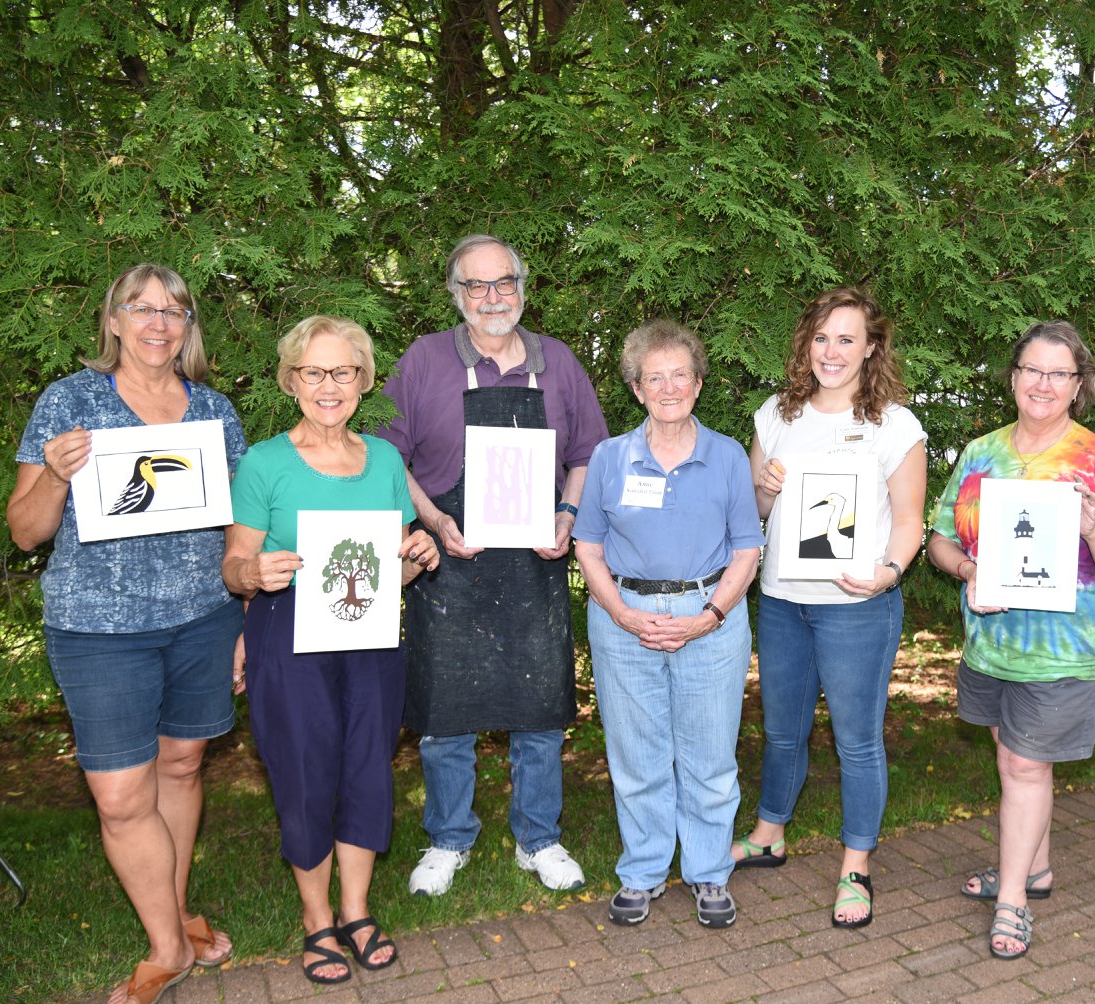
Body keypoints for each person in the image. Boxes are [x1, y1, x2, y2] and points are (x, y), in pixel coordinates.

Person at [7, 264, 244, 1004]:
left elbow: (240, 527)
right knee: (118, 798)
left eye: (174, 310)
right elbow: (24, 532)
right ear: (113, 321)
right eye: (140, 308)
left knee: (180, 770)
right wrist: (51, 473)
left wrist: (244, 627)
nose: (158, 323)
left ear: (187, 327)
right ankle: (169, 947)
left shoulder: (214, 412)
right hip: (99, 629)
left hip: (204, 619)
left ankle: (171, 924)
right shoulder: (69, 403)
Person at [375, 234, 609, 897]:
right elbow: (388, 455)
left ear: (523, 287)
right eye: (475, 286)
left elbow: (588, 452)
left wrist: (566, 515)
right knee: (446, 710)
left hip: (532, 562)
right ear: (456, 295)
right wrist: (434, 521)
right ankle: (448, 838)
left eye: (503, 282)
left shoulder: (558, 363)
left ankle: (540, 838)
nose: (491, 298)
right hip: (450, 558)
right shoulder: (423, 361)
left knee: (539, 706)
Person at [222, 316, 439, 986]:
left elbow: (391, 562)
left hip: (369, 637)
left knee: (368, 768)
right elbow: (233, 563)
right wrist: (251, 576)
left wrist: (418, 556)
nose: (329, 385)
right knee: (306, 772)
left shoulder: (384, 460)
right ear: (291, 382)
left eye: (342, 371)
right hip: (288, 637)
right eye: (313, 372)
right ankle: (317, 922)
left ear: (362, 381)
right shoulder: (263, 463)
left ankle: (356, 910)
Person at [928, 321, 1095, 960]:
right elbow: (939, 539)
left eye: (1059, 374)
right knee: (1016, 759)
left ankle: (1014, 900)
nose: (1043, 384)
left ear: (1079, 387)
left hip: (1065, 651)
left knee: (1024, 766)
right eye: (1032, 369)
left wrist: (1090, 529)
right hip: (992, 646)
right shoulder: (980, 453)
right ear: (1014, 377)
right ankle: (1035, 869)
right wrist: (970, 571)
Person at [733, 287, 927, 929]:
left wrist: (887, 573)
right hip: (786, 601)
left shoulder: (894, 425)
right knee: (782, 729)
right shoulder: (775, 415)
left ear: (871, 347)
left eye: (847, 338)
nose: (832, 351)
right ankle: (769, 834)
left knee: (857, 741)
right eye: (821, 337)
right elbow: (756, 514)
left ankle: (856, 865)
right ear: (805, 344)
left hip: (857, 607)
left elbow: (908, 523)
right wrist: (763, 488)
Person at [572, 320, 762, 929]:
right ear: (636, 388)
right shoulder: (608, 458)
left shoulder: (729, 456)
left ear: (699, 384)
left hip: (711, 618)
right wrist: (622, 614)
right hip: (623, 620)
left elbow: (746, 551)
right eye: (655, 377)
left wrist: (708, 617)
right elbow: (588, 549)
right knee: (636, 756)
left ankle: (708, 872)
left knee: (708, 756)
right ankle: (644, 872)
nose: (669, 386)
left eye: (680, 374)